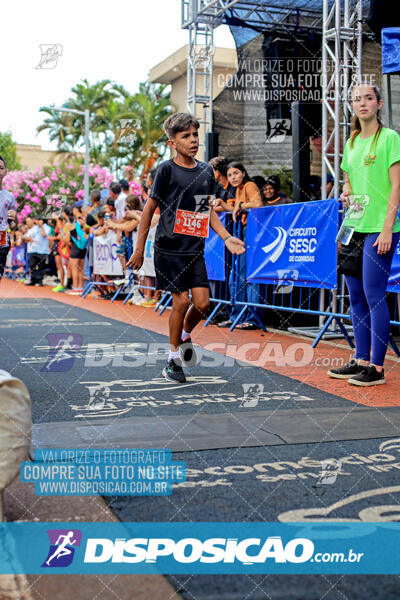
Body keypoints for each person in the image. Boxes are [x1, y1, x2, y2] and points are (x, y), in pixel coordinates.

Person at [127, 112, 245, 383]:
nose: (193, 140)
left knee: (203, 304)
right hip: (168, 248)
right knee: (180, 301)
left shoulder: (205, 170)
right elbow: (148, 210)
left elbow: (206, 210)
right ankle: (172, 360)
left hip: (194, 249)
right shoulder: (166, 170)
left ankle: (183, 335)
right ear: (172, 143)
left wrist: (226, 237)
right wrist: (138, 248)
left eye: (195, 135)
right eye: (185, 136)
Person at [328, 83, 400, 386]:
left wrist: (387, 228)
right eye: (356, 99)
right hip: (354, 225)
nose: (362, 103)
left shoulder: (390, 138)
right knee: (354, 296)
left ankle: (377, 367)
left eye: (368, 98)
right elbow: (348, 181)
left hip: (379, 229)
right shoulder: (353, 140)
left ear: (379, 103)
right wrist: (346, 191)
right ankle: (359, 358)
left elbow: (397, 185)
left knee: (373, 295)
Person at [217, 162, 264, 329]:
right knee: (235, 276)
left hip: (252, 233)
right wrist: (222, 205)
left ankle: (252, 318)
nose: (233, 177)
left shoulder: (250, 185)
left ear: (243, 173)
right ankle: (237, 315)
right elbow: (235, 207)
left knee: (247, 275)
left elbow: (257, 204)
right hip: (243, 231)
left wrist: (241, 206)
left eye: (236, 173)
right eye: (230, 175)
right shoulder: (238, 190)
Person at [0, 156, 17, 282]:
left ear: (6, 171)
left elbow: (13, 225)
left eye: (1, 168)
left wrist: (14, 219)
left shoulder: (9, 196)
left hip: (2, 236)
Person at [22, 216, 51, 286]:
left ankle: (40, 280)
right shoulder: (34, 228)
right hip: (34, 250)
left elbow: (43, 235)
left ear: (42, 221)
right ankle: (33, 279)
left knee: (41, 266)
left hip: (43, 250)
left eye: (38, 220)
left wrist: (41, 227)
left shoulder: (47, 227)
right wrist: (28, 238)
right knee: (32, 265)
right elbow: (26, 236)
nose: (36, 222)